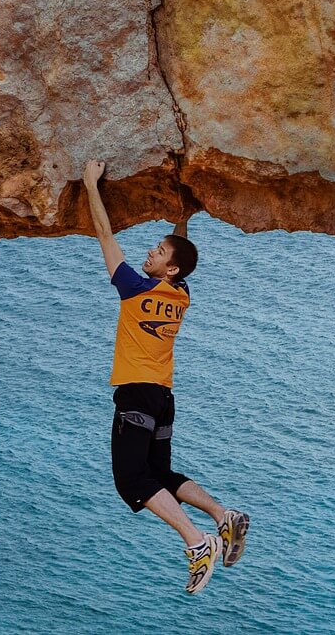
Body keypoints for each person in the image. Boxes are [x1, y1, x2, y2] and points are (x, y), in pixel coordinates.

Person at [82, 159, 250, 595]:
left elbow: (104, 235)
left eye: (159, 251)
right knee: (159, 471)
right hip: (163, 397)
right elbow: (182, 251)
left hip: (137, 394)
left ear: (170, 268)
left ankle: (198, 543)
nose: (151, 251)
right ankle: (223, 515)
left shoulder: (135, 289)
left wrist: (89, 184)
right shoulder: (181, 294)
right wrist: (184, 214)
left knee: (133, 480)